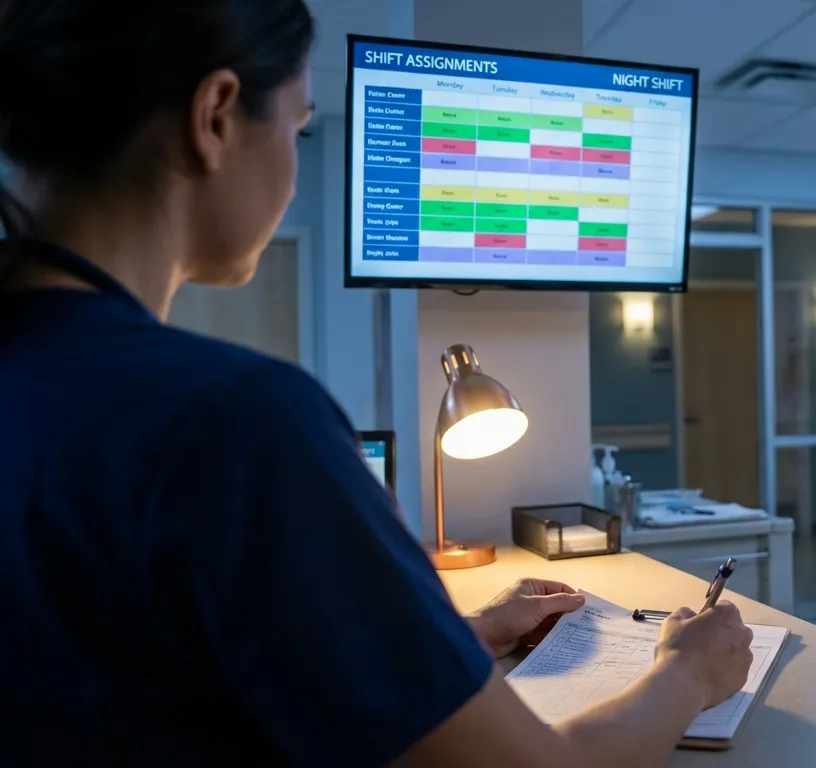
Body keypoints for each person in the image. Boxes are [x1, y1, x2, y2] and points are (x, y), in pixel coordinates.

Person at [0, 1, 753, 766]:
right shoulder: (234, 422)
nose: (294, 174)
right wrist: (688, 672)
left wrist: (447, 642)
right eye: (298, 130)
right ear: (216, 115)